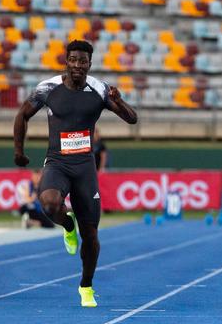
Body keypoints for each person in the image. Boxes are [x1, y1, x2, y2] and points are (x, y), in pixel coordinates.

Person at [13, 40, 138, 307]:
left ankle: (86, 286)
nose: (78, 65)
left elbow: (132, 119)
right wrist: (19, 151)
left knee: (91, 235)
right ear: (66, 61)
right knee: (48, 203)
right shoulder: (48, 88)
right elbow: (22, 115)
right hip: (57, 162)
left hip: (84, 168)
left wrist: (119, 101)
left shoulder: (100, 89)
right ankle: (67, 225)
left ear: (89, 64)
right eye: (73, 60)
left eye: (83, 61)